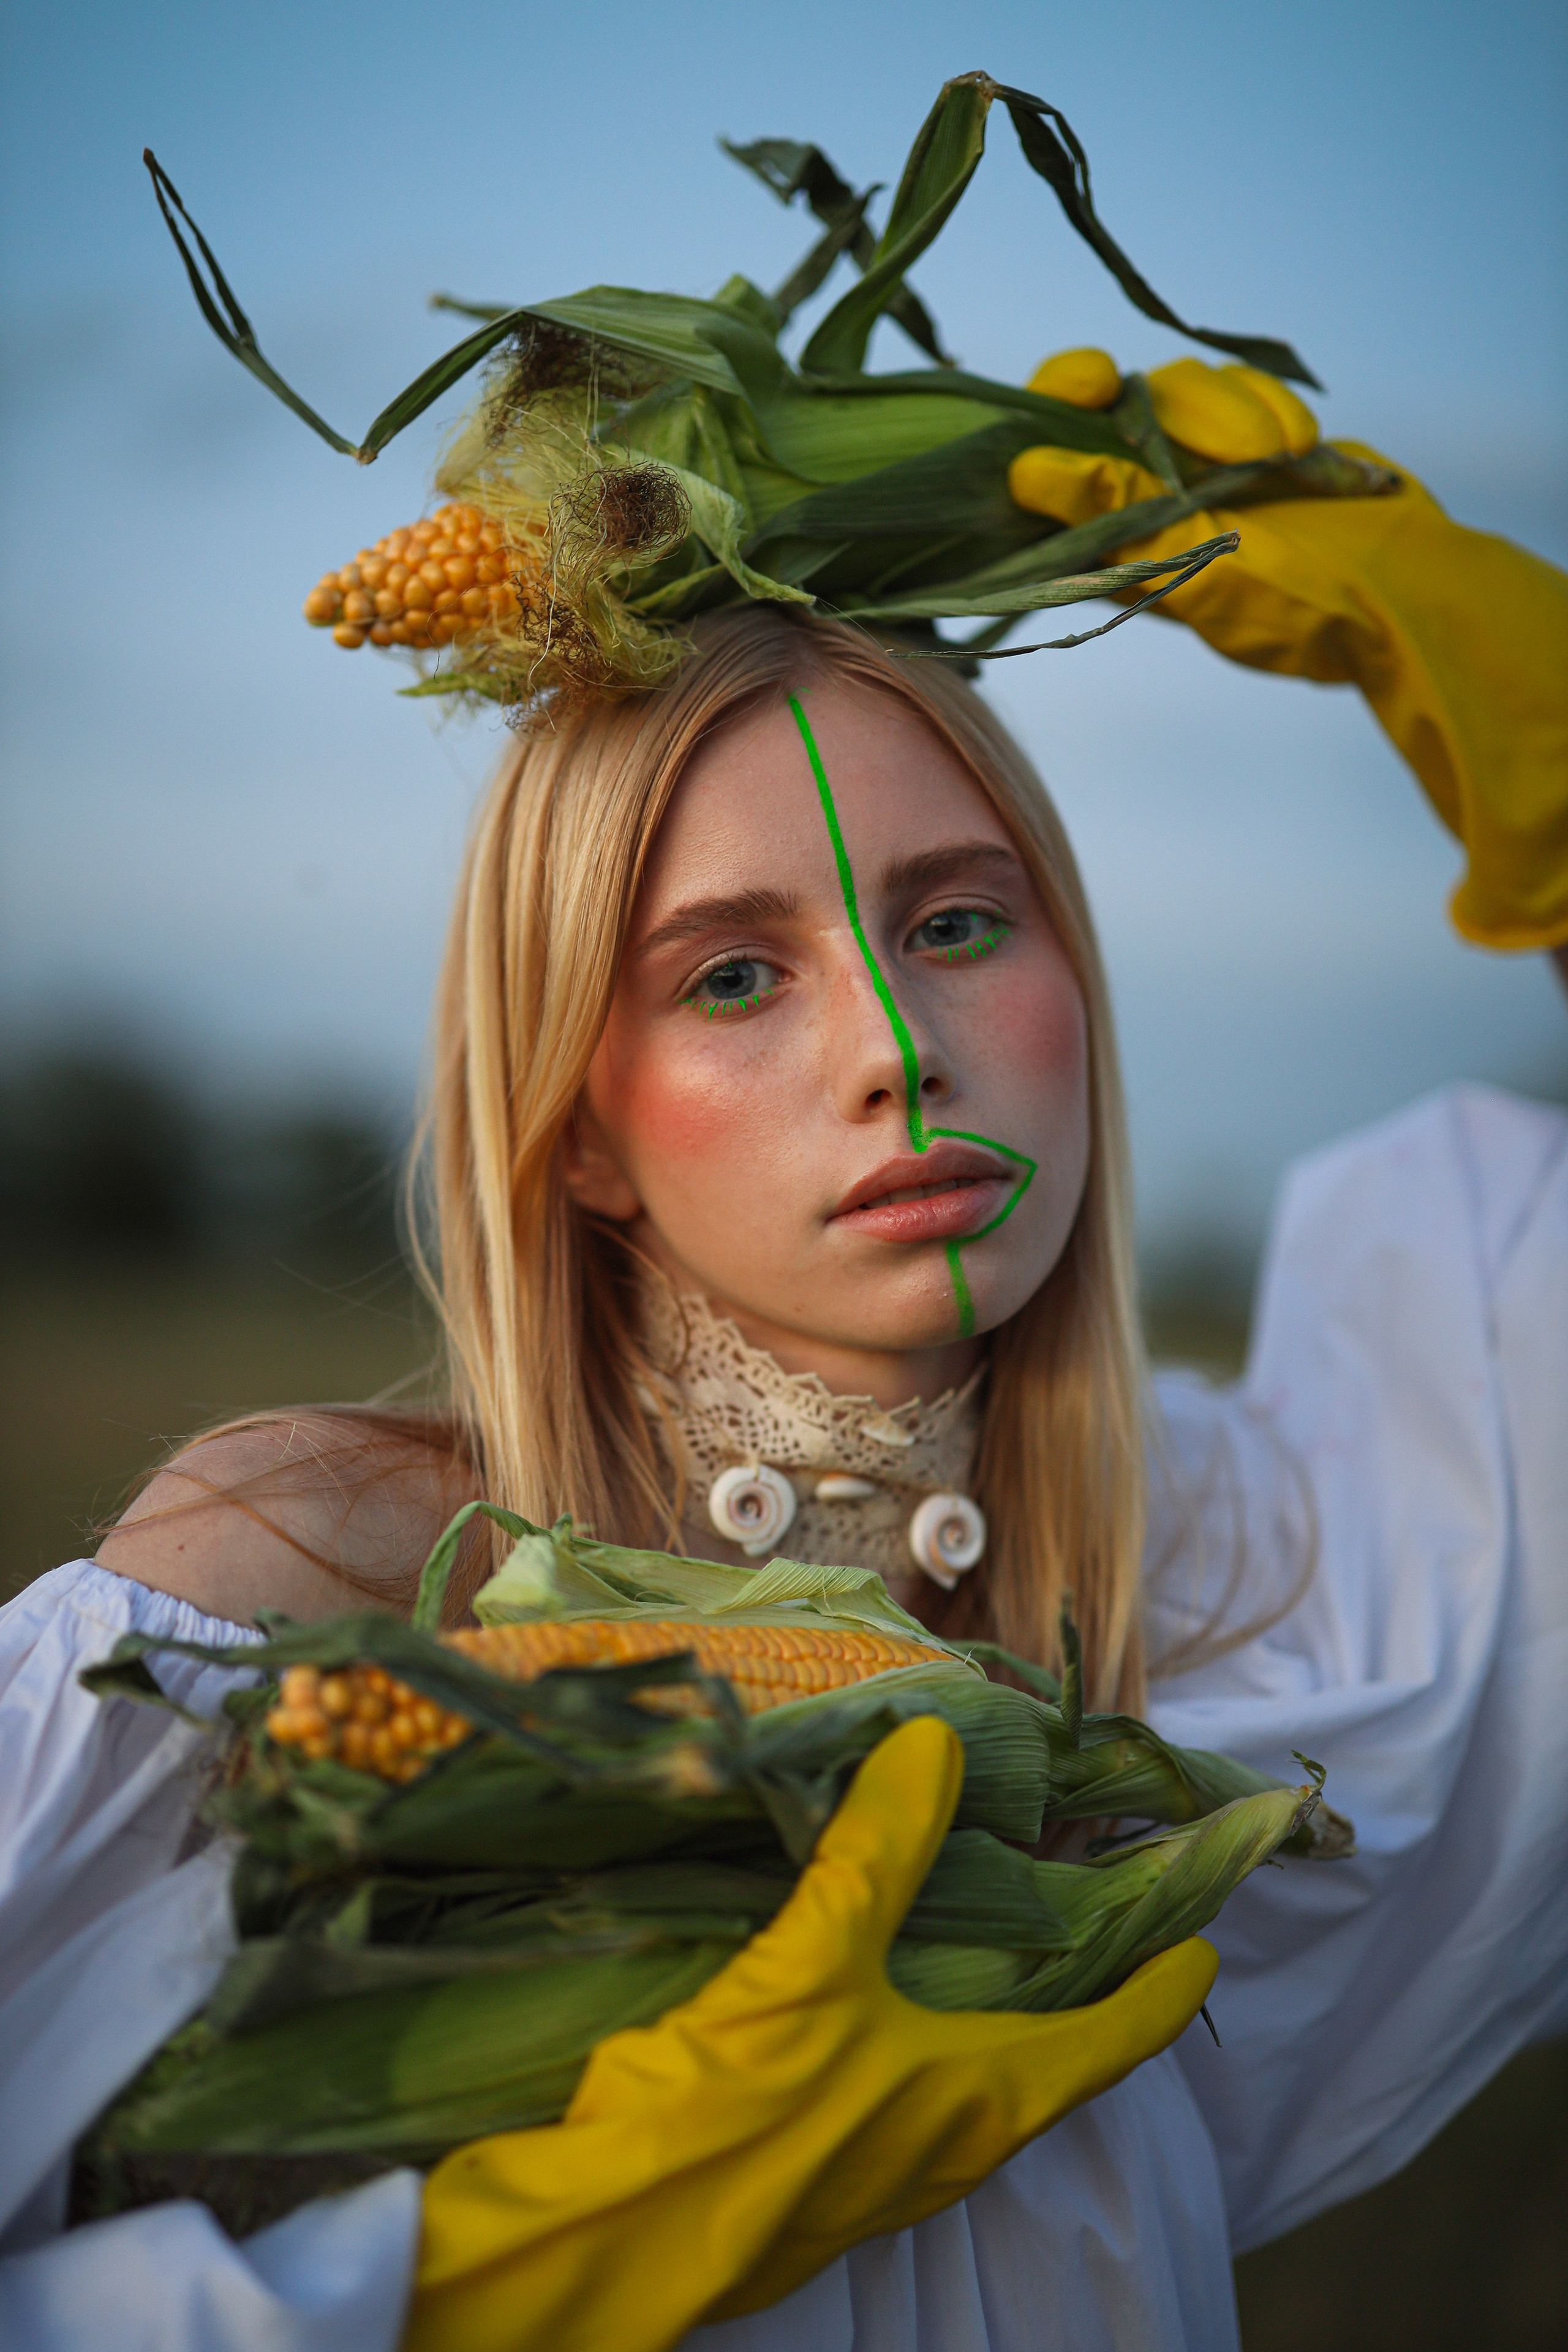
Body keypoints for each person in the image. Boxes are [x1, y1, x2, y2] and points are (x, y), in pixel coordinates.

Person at [4, 102, 1568, 2346]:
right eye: (733, 974)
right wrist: (471, 2284)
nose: (898, 1049)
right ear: (580, 1135)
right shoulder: (293, 1602)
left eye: (957, 920)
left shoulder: (1254, 1611)